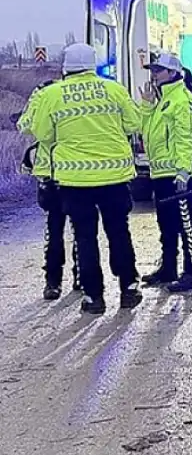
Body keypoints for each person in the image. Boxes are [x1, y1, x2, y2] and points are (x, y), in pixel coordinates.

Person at [29, 43, 143, 315]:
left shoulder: (52, 94)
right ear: (93, 64)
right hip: (115, 176)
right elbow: (134, 124)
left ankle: (94, 298)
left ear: (66, 67)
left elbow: (42, 133)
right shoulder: (114, 89)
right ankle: (129, 287)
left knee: (85, 237)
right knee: (119, 232)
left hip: (76, 180)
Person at [137, 53, 192, 292]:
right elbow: (145, 132)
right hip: (161, 173)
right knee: (166, 224)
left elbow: (186, 140)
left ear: (174, 73)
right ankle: (168, 268)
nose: (154, 75)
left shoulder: (183, 101)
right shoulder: (163, 101)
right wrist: (146, 105)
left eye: (159, 70)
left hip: (178, 174)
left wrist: (183, 173)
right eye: (153, 70)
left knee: (186, 224)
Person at [16, 78, 81, 299]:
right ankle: (78, 278)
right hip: (75, 173)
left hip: (54, 174)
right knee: (80, 229)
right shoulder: (77, 95)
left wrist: (36, 103)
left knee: (55, 230)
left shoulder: (43, 95)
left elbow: (24, 126)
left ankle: (53, 282)